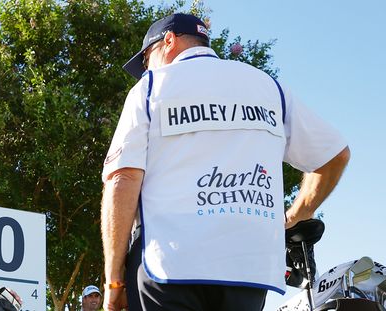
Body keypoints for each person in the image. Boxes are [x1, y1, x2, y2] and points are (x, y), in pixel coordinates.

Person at [101, 13, 351, 311]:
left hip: (168, 263)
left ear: (168, 41)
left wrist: (114, 280)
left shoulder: (152, 87)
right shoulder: (269, 87)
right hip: (247, 269)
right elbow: (335, 156)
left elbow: (123, 179)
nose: (145, 70)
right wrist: (298, 213)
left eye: (145, 61)